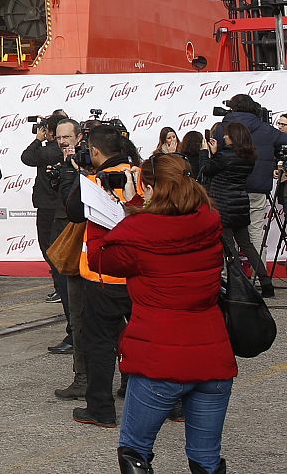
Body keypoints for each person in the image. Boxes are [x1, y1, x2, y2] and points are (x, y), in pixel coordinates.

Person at [92, 154, 236, 474]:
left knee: (135, 452)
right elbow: (170, 225)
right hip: (213, 357)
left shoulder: (140, 231)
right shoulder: (210, 220)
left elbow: (101, 258)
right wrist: (139, 206)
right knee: (206, 459)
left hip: (159, 359)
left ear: (151, 187)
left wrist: (104, 214)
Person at [60, 122, 144, 428]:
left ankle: (100, 408)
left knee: (100, 345)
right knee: (147, 339)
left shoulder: (95, 180)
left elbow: (72, 211)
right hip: (140, 276)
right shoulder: (140, 175)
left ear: (94, 151)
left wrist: (78, 177)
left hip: (103, 277)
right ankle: (168, 403)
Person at [21, 114, 75, 351]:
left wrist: (38, 139)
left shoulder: (53, 151)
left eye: (67, 137)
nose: (62, 141)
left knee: (55, 259)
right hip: (55, 210)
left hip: (52, 211)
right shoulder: (62, 152)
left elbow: (27, 157)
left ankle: (73, 330)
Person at [201, 121, 274, 297]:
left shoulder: (224, 156)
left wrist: (205, 152)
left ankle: (239, 285)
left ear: (233, 137)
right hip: (240, 204)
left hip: (223, 206)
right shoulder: (249, 156)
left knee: (229, 249)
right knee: (247, 245)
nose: (224, 136)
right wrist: (217, 154)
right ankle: (266, 283)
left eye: (227, 134)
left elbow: (206, 170)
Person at [217, 94, 287, 257]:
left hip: (229, 191)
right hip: (257, 189)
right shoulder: (266, 129)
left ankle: (232, 279)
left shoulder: (222, 128)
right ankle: (260, 277)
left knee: (228, 236)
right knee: (256, 234)